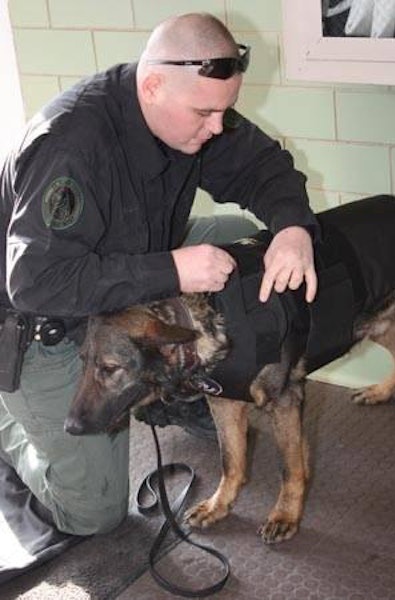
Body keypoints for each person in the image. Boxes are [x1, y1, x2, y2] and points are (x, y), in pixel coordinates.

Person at [0, 12, 318, 543]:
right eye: (205, 113)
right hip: (40, 324)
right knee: (93, 512)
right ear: (152, 86)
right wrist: (173, 268)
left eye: (224, 111)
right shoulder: (74, 145)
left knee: (239, 236)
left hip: (124, 283)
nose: (217, 127)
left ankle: (173, 382)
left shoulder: (190, 108)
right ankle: (12, 426)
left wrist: (292, 227)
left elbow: (265, 167)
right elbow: (36, 281)